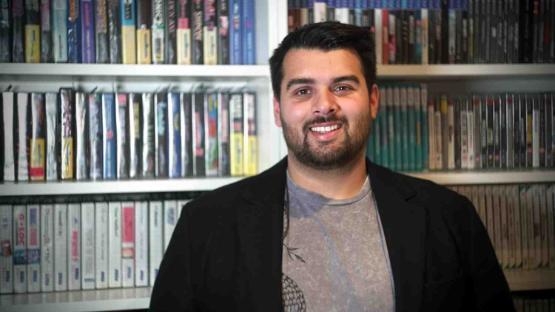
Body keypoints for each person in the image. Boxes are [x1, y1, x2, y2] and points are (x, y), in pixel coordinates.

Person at [150, 21, 515, 312]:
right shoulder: (204, 224)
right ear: (278, 111)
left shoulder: (450, 217)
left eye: (342, 87)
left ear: (372, 101)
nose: (324, 106)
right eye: (303, 90)